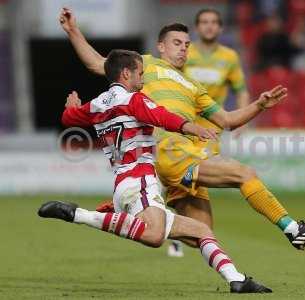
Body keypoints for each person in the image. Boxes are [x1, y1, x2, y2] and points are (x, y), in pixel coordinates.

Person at [59, 7, 305, 253]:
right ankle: (293, 229)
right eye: (177, 43)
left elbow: (227, 120)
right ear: (160, 47)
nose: (183, 49)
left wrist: (259, 105)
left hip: (186, 155)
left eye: (187, 44)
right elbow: (97, 63)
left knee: (202, 234)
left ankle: (133, 218)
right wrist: (73, 30)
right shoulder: (146, 66)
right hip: (169, 152)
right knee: (243, 173)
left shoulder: (193, 86)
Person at [38, 49, 271, 294]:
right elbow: (160, 116)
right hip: (140, 181)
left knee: (201, 231)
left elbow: (69, 117)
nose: (143, 79)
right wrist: (191, 127)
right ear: (126, 73)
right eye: (140, 73)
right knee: (155, 236)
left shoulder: (96, 104)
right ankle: (78, 214)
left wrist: (71, 108)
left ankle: (236, 279)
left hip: (125, 184)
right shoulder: (134, 100)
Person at [167, 8, 251, 256]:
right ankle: (178, 226)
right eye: (204, 22)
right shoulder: (184, 53)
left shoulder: (229, 57)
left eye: (214, 22)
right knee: (179, 178)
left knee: (191, 178)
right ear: (197, 27)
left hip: (211, 130)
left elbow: (241, 88)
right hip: (181, 125)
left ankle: (178, 227)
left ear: (221, 28)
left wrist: (243, 117)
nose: (209, 26)